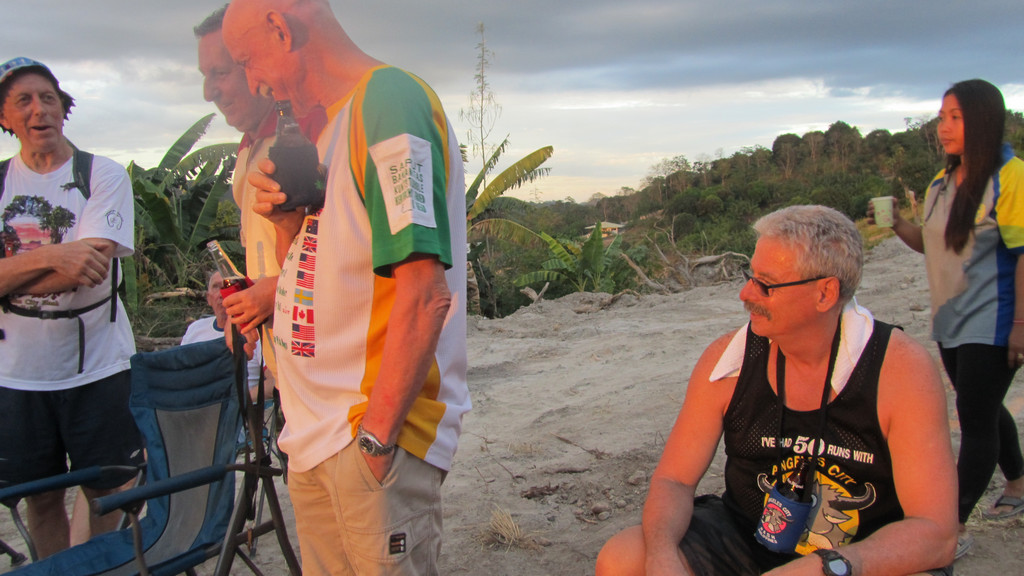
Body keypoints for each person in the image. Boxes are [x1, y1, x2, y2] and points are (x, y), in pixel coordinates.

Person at [222, 1, 470, 574]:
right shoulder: (330, 129)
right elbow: (315, 274)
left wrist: (377, 440)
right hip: (315, 436)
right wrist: (287, 225)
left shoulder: (387, 102)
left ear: (280, 29)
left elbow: (425, 294)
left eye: (245, 60)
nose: (251, 82)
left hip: (364, 434)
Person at [596, 205, 957, 576]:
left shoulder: (899, 371)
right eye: (750, 276)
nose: (745, 293)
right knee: (623, 559)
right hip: (749, 538)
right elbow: (675, 479)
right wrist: (662, 556)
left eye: (765, 285)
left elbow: (936, 532)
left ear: (825, 293)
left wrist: (825, 567)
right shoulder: (729, 362)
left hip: (855, 557)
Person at [0, 57, 143, 558]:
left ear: (64, 108)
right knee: (39, 497)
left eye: (49, 98)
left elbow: (89, 268)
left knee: (107, 491)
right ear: (4, 117)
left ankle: (96, 568)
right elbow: (69, 262)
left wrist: (12, 273)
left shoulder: (101, 175)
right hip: (18, 374)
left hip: (98, 368)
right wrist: (53, 255)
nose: (39, 110)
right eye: (23, 101)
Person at [882, 78, 1024, 556]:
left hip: (995, 319)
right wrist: (897, 223)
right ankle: (1019, 482)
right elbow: (932, 245)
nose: (943, 127)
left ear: (982, 120)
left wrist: (1021, 325)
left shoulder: (1011, 177)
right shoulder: (940, 183)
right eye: (941, 117)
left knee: (975, 422)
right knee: (982, 405)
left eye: (955, 117)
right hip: (951, 321)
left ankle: (949, 527)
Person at [195, 4, 324, 387]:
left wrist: (275, 290)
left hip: (327, 363)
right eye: (205, 76)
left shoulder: (312, 131)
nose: (208, 92)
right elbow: (268, 251)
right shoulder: (248, 147)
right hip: (285, 362)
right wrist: (246, 303)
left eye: (220, 73)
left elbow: (344, 246)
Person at [181, 271, 266, 401]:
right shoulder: (195, 329)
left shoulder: (255, 332)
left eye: (228, 285)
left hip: (240, 407)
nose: (222, 293)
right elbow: (182, 374)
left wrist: (239, 400)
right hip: (197, 405)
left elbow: (273, 382)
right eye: (216, 287)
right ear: (209, 298)